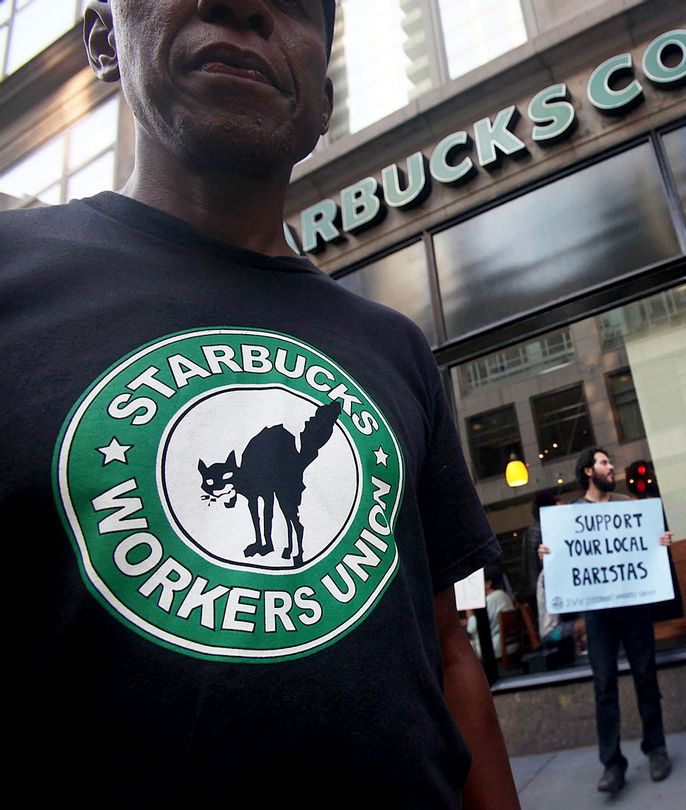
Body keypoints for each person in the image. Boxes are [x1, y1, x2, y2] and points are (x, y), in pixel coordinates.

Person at [0, 1, 516, 805]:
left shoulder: (394, 345)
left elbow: (448, 651)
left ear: (321, 102)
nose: (240, 4)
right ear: (104, 38)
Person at [538, 447, 672, 793]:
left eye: (610, 463)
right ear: (587, 471)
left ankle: (656, 748)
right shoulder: (571, 515)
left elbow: (645, 543)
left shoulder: (628, 505)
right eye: (604, 463)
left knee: (646, 676)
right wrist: (548, 553)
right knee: (604, 686)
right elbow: (565, 558)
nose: (611, 467)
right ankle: (612, 764)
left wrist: (658, 542)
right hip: (598, 613)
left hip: (634, 606)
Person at [467, 564, 519, 659]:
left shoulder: (492, 599)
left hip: (496, 646)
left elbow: (471, 628)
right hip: (510, 643)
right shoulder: (503, 595)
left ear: (488, 583)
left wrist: (469, 610)